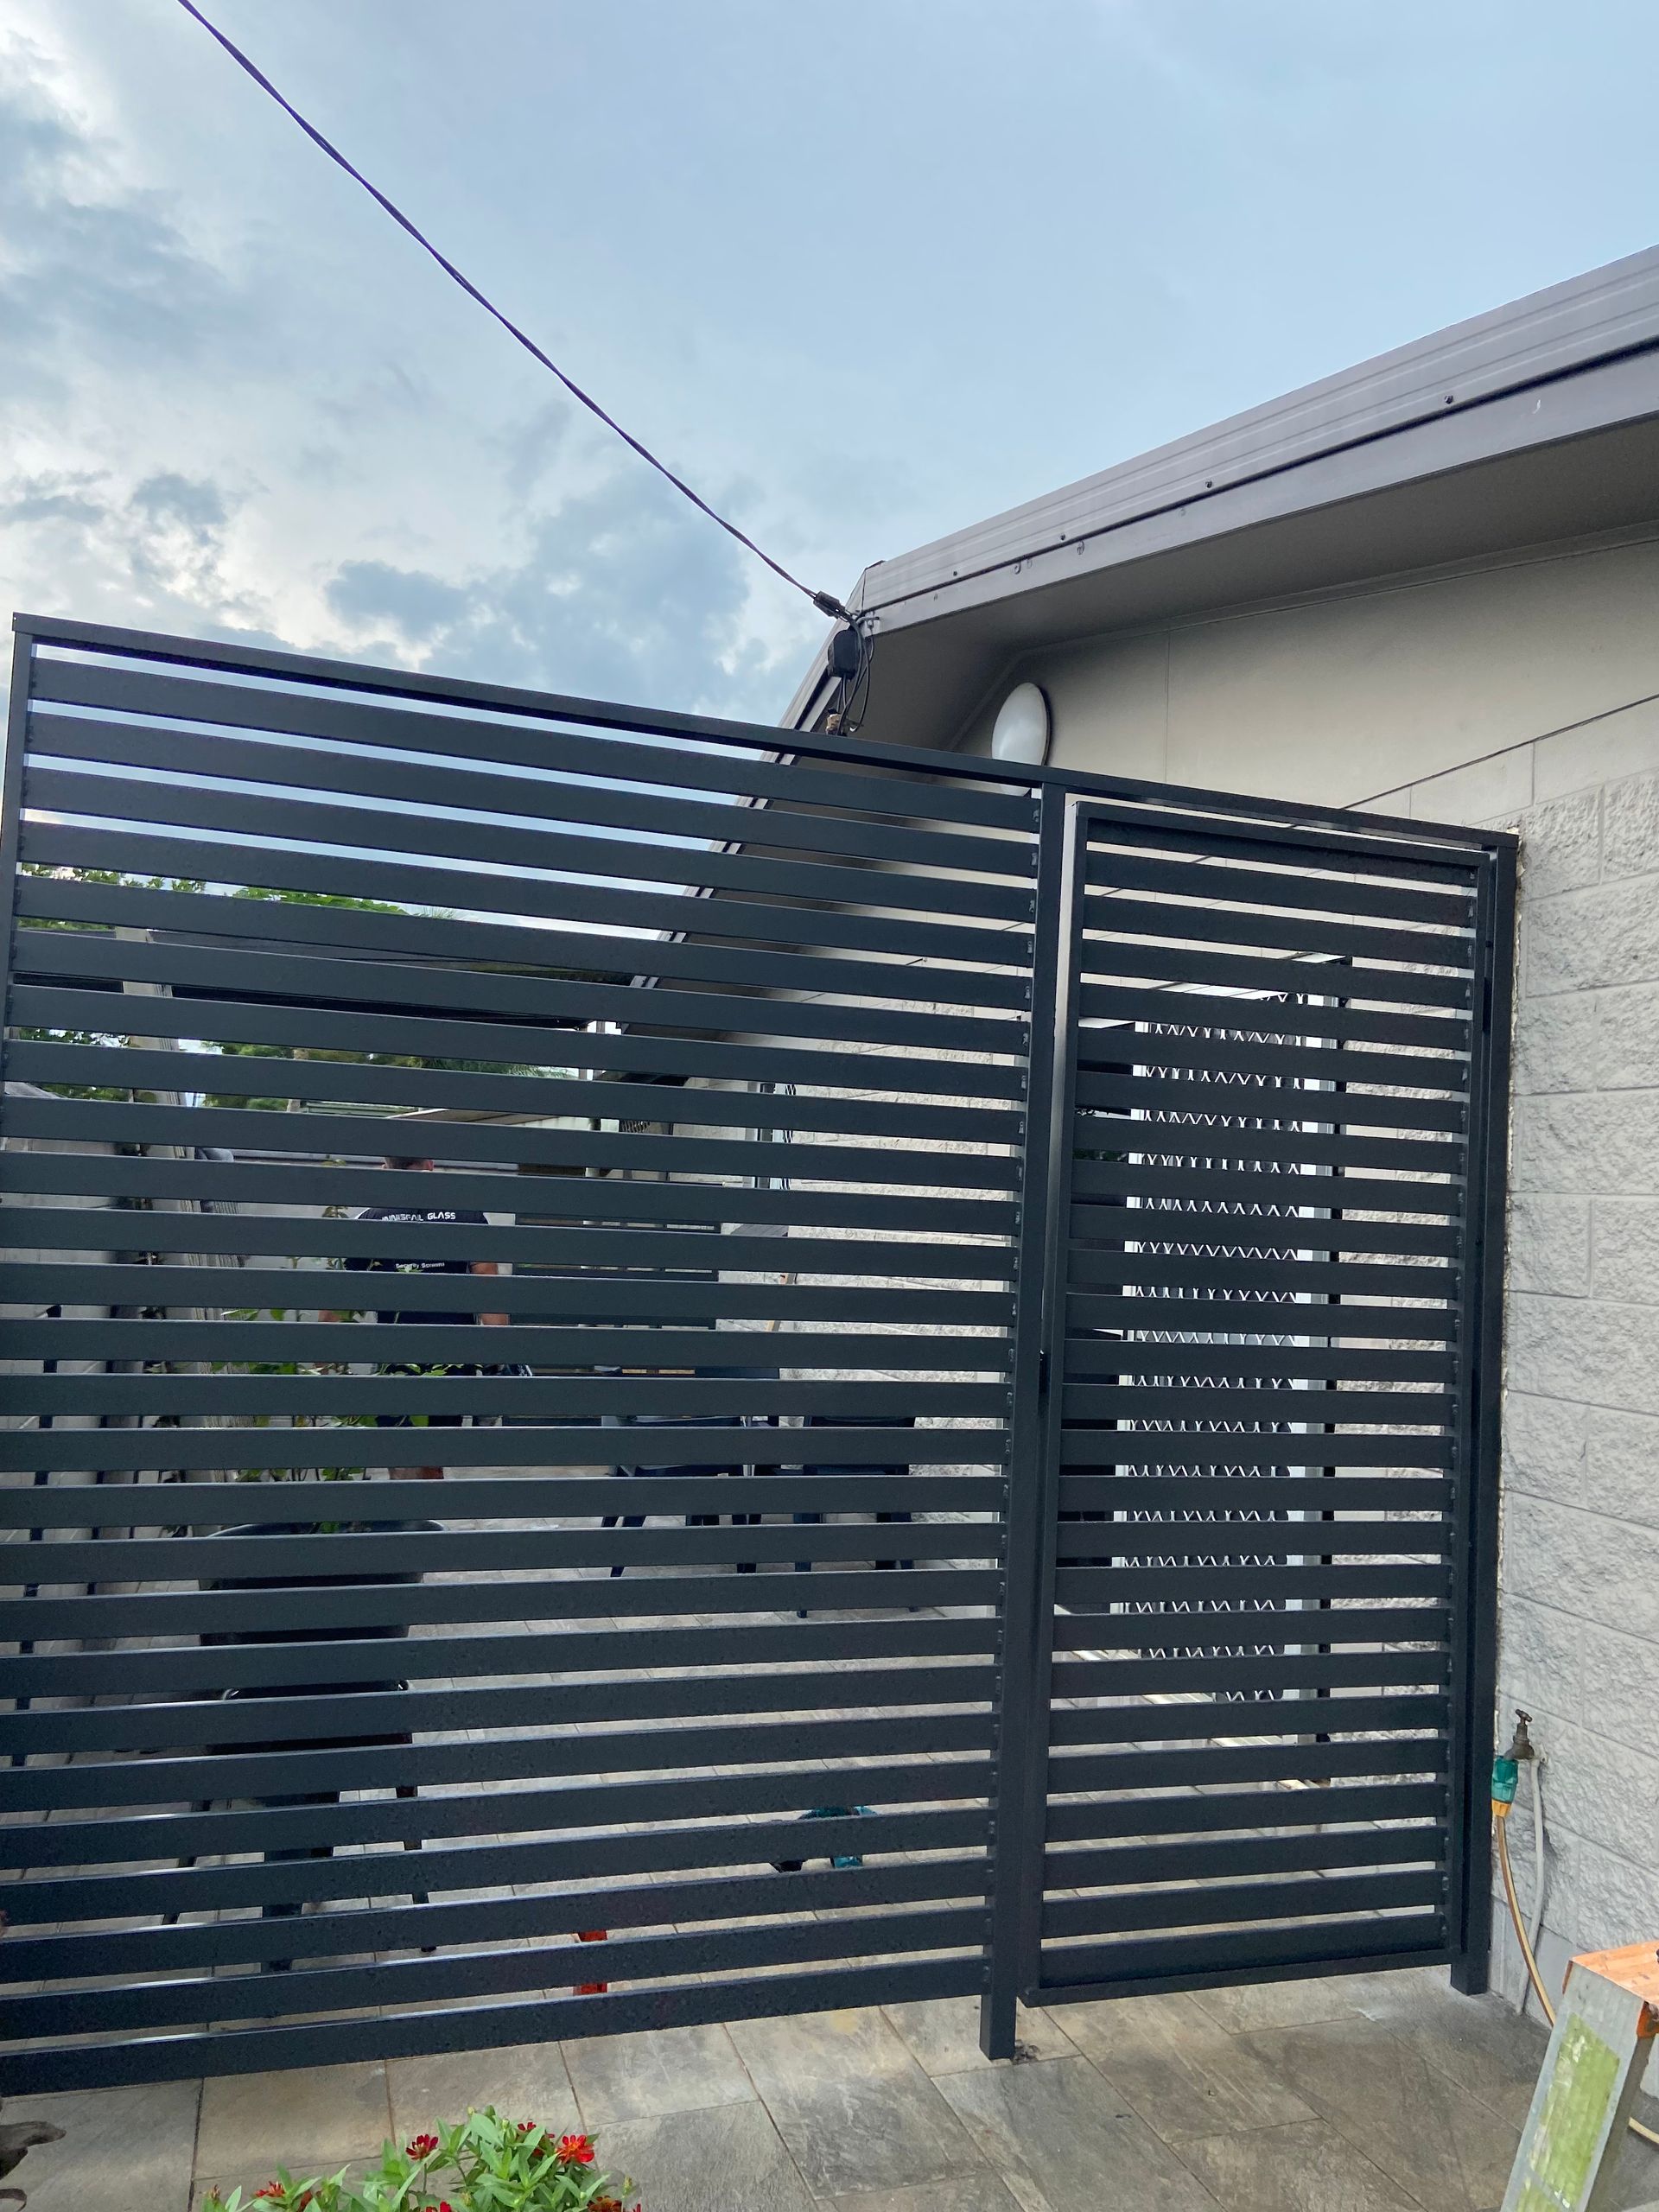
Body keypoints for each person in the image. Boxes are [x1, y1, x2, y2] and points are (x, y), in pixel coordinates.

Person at [323, 1154, 509, 1480]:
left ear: (385, 1169)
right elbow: (490, 1297)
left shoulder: (370, 1220)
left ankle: (408, 1521)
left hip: (394, 1362)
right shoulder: (466, 1216)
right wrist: (495, 1366)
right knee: (433, 1456)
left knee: (401, 1455)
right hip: (451, 1363)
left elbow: (338, 1301)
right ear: (431, 1166)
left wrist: (321, 1366)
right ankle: (424, 1522)